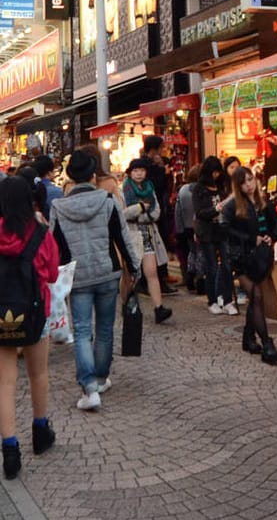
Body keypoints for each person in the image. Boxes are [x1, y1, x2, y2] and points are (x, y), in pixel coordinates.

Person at [50, 149, 141, 411]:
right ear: (93, 175)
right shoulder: (108, 201)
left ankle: (89, 389)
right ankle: (101, 378)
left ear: (70, 178)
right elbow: (122, 238)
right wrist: (133, 268)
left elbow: (55, 245)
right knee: (104, 328)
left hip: (77, 277)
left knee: (81, 331)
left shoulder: (58, 206)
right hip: (107, 272)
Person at [0, 177, 60, 478]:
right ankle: (40, 431)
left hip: (0, 313)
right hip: (36, 313)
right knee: (38, 374)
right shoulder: (40, 231)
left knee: (4, 383)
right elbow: (51, 275)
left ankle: (10, 451)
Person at [223, 166, 277, 364]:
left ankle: (248, 337)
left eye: (250, 179)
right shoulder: (233, 206)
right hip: (241, 259)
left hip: (261, 259)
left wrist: (269, 236)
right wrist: (251, 239)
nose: (248, 185)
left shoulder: (264, 202)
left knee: (255, 299)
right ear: (238, 186)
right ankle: (267, 342)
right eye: (244, 182)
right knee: (256, 296)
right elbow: (226, 230)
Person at [123, 158, 173, 324]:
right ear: (130, 172)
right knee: (131, 275)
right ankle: (128, 306)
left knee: (151, 272)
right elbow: (124, 214)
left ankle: (159, 308)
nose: (139, 174)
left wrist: (140, 212)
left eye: (142, 170)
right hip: (131, 236)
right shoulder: (124, 189)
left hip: (148, 234)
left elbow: (156, 212)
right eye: (136, 170)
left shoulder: (149, 189)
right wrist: (142, 208)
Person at [191, 156, 237, 315]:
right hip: (207, 232)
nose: (216, 176)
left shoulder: (221, 186)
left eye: (218, 172)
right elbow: (200, 212)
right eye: (214, 173)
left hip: (222, 230)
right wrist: (216, 208)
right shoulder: (199, 189)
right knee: (211, 267)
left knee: (226, 265)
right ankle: (212, 300)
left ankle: (227, 300)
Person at [142, 135, 178, 292]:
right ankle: (158, 280)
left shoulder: (148, 164)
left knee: (159, 243)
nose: (163, 151)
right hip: (151, 211)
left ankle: (161, 276)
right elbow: (159, 185)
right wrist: (161, 169)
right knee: (156, 244)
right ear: (154, 149)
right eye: (161, 148)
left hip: (157, 209)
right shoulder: (147, 166)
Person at [174, 164, 201, 292]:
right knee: (202, 253)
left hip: (187, 226)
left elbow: (177, 211)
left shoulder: (183, 190)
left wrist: (179, 229)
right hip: (201, 226)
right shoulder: (203, 190)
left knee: (192, 252)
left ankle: (190, 275)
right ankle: (200, 278)